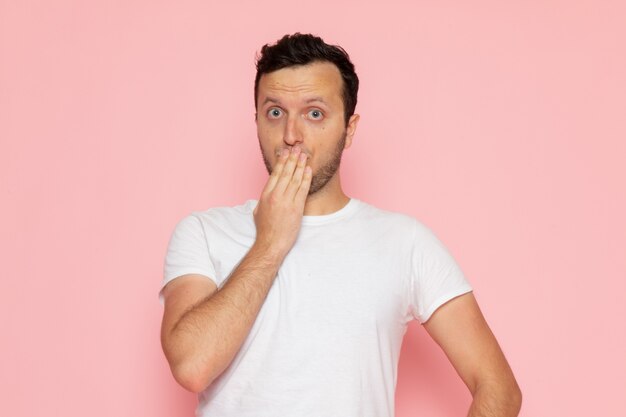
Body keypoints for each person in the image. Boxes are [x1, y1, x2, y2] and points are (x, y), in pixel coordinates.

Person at [159, 33, 522, 417]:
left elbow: (498, 388)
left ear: (349, 130)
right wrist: (270, 242)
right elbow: (192, 367)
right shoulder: (202, 231)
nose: (291, 136)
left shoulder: (404, 242)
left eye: (314, 113)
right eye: (275, 112)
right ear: (257, 122)